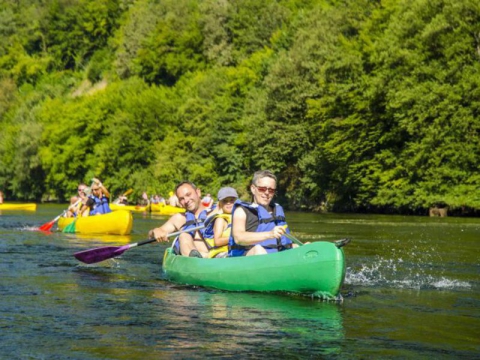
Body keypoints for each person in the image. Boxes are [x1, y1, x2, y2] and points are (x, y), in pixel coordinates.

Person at [228, 170, 295, 257]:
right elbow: (238, 238)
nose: (267, 193)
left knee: (305, 247)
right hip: (248, 257)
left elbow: (286, 244)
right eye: (262, 189)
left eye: (271, 190)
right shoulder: (241, 211)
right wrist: (270, 234)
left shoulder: (277, 210)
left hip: (276, 256)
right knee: (258, 250)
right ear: (253, 189)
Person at [149, 181, 211, 258]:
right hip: (193, 263)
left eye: (188, 194)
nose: (186, 200)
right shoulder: (179, 218)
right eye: (182, 198)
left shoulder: (216, 213)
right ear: (179, 202)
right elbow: (151, 238)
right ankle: (193, 258)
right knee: (183, 235)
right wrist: (155, 232)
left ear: (198, 192)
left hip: (215, 259)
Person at [202, 187, 238, 258]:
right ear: (220, 203)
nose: (228, 203)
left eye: (232, 200)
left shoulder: (239, 216)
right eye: (225, 201)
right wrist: (236, 238)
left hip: (234, 250)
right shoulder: (220, 219)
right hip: (221, 253)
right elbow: (217, 241)